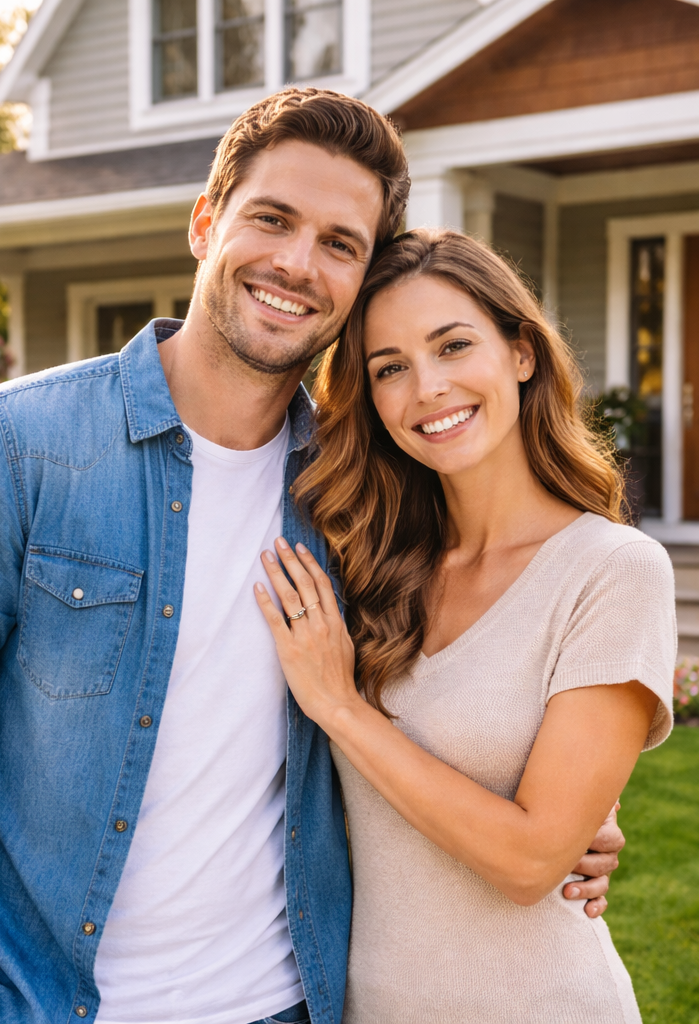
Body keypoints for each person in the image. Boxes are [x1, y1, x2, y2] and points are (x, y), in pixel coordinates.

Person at [0, 91, 621, 1024]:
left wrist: (571, 818)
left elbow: (452, 681)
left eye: (340, 243)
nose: (297, 262)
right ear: (207, 223)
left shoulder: (359, 490)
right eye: (273, 219)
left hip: (290, 1004)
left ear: (361, 280)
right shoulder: (13, 448)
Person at [254, 229, 677, 1023]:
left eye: (453, 346)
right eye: (390, 368)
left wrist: (341, 707)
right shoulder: (366, 568)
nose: (428, 389)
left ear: (521, 352)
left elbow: (528, 861)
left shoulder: (613, 570)